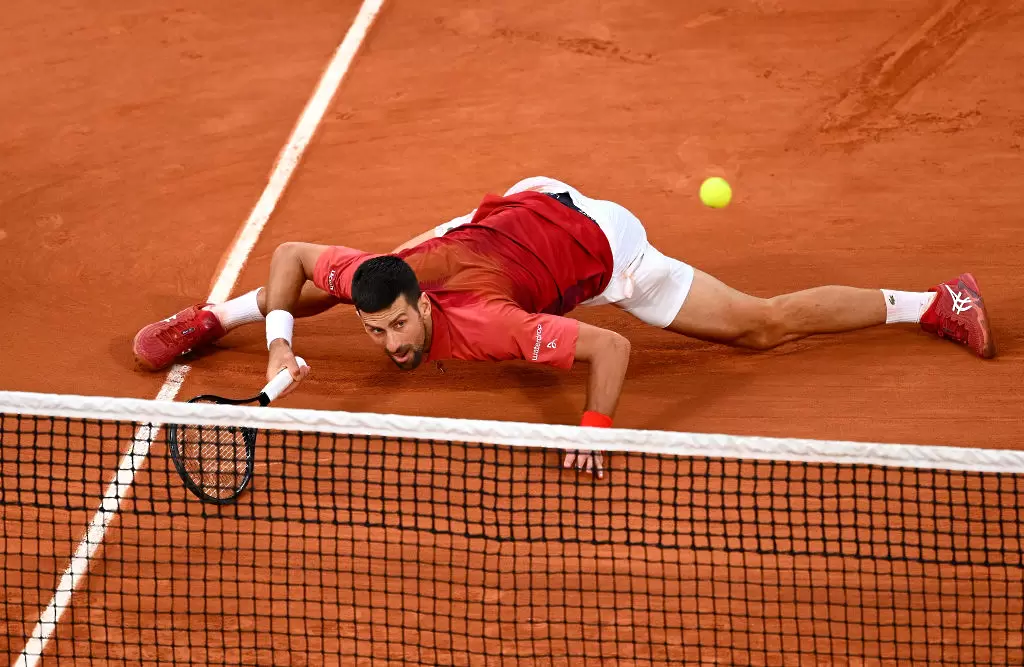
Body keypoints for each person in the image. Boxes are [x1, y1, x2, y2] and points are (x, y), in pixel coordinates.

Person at [133, 176, 996, 477]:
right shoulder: (383, 287)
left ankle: (935, 301)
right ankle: (211, 318)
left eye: (400, 327)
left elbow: (610, 345)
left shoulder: (498, 329)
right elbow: (288, 249)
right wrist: (279, 332)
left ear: (430, 312)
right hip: (518, 204)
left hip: (601, 245)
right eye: (382, 331)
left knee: (757, 326)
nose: (394, 343)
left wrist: (595, 424)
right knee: (357, 271)